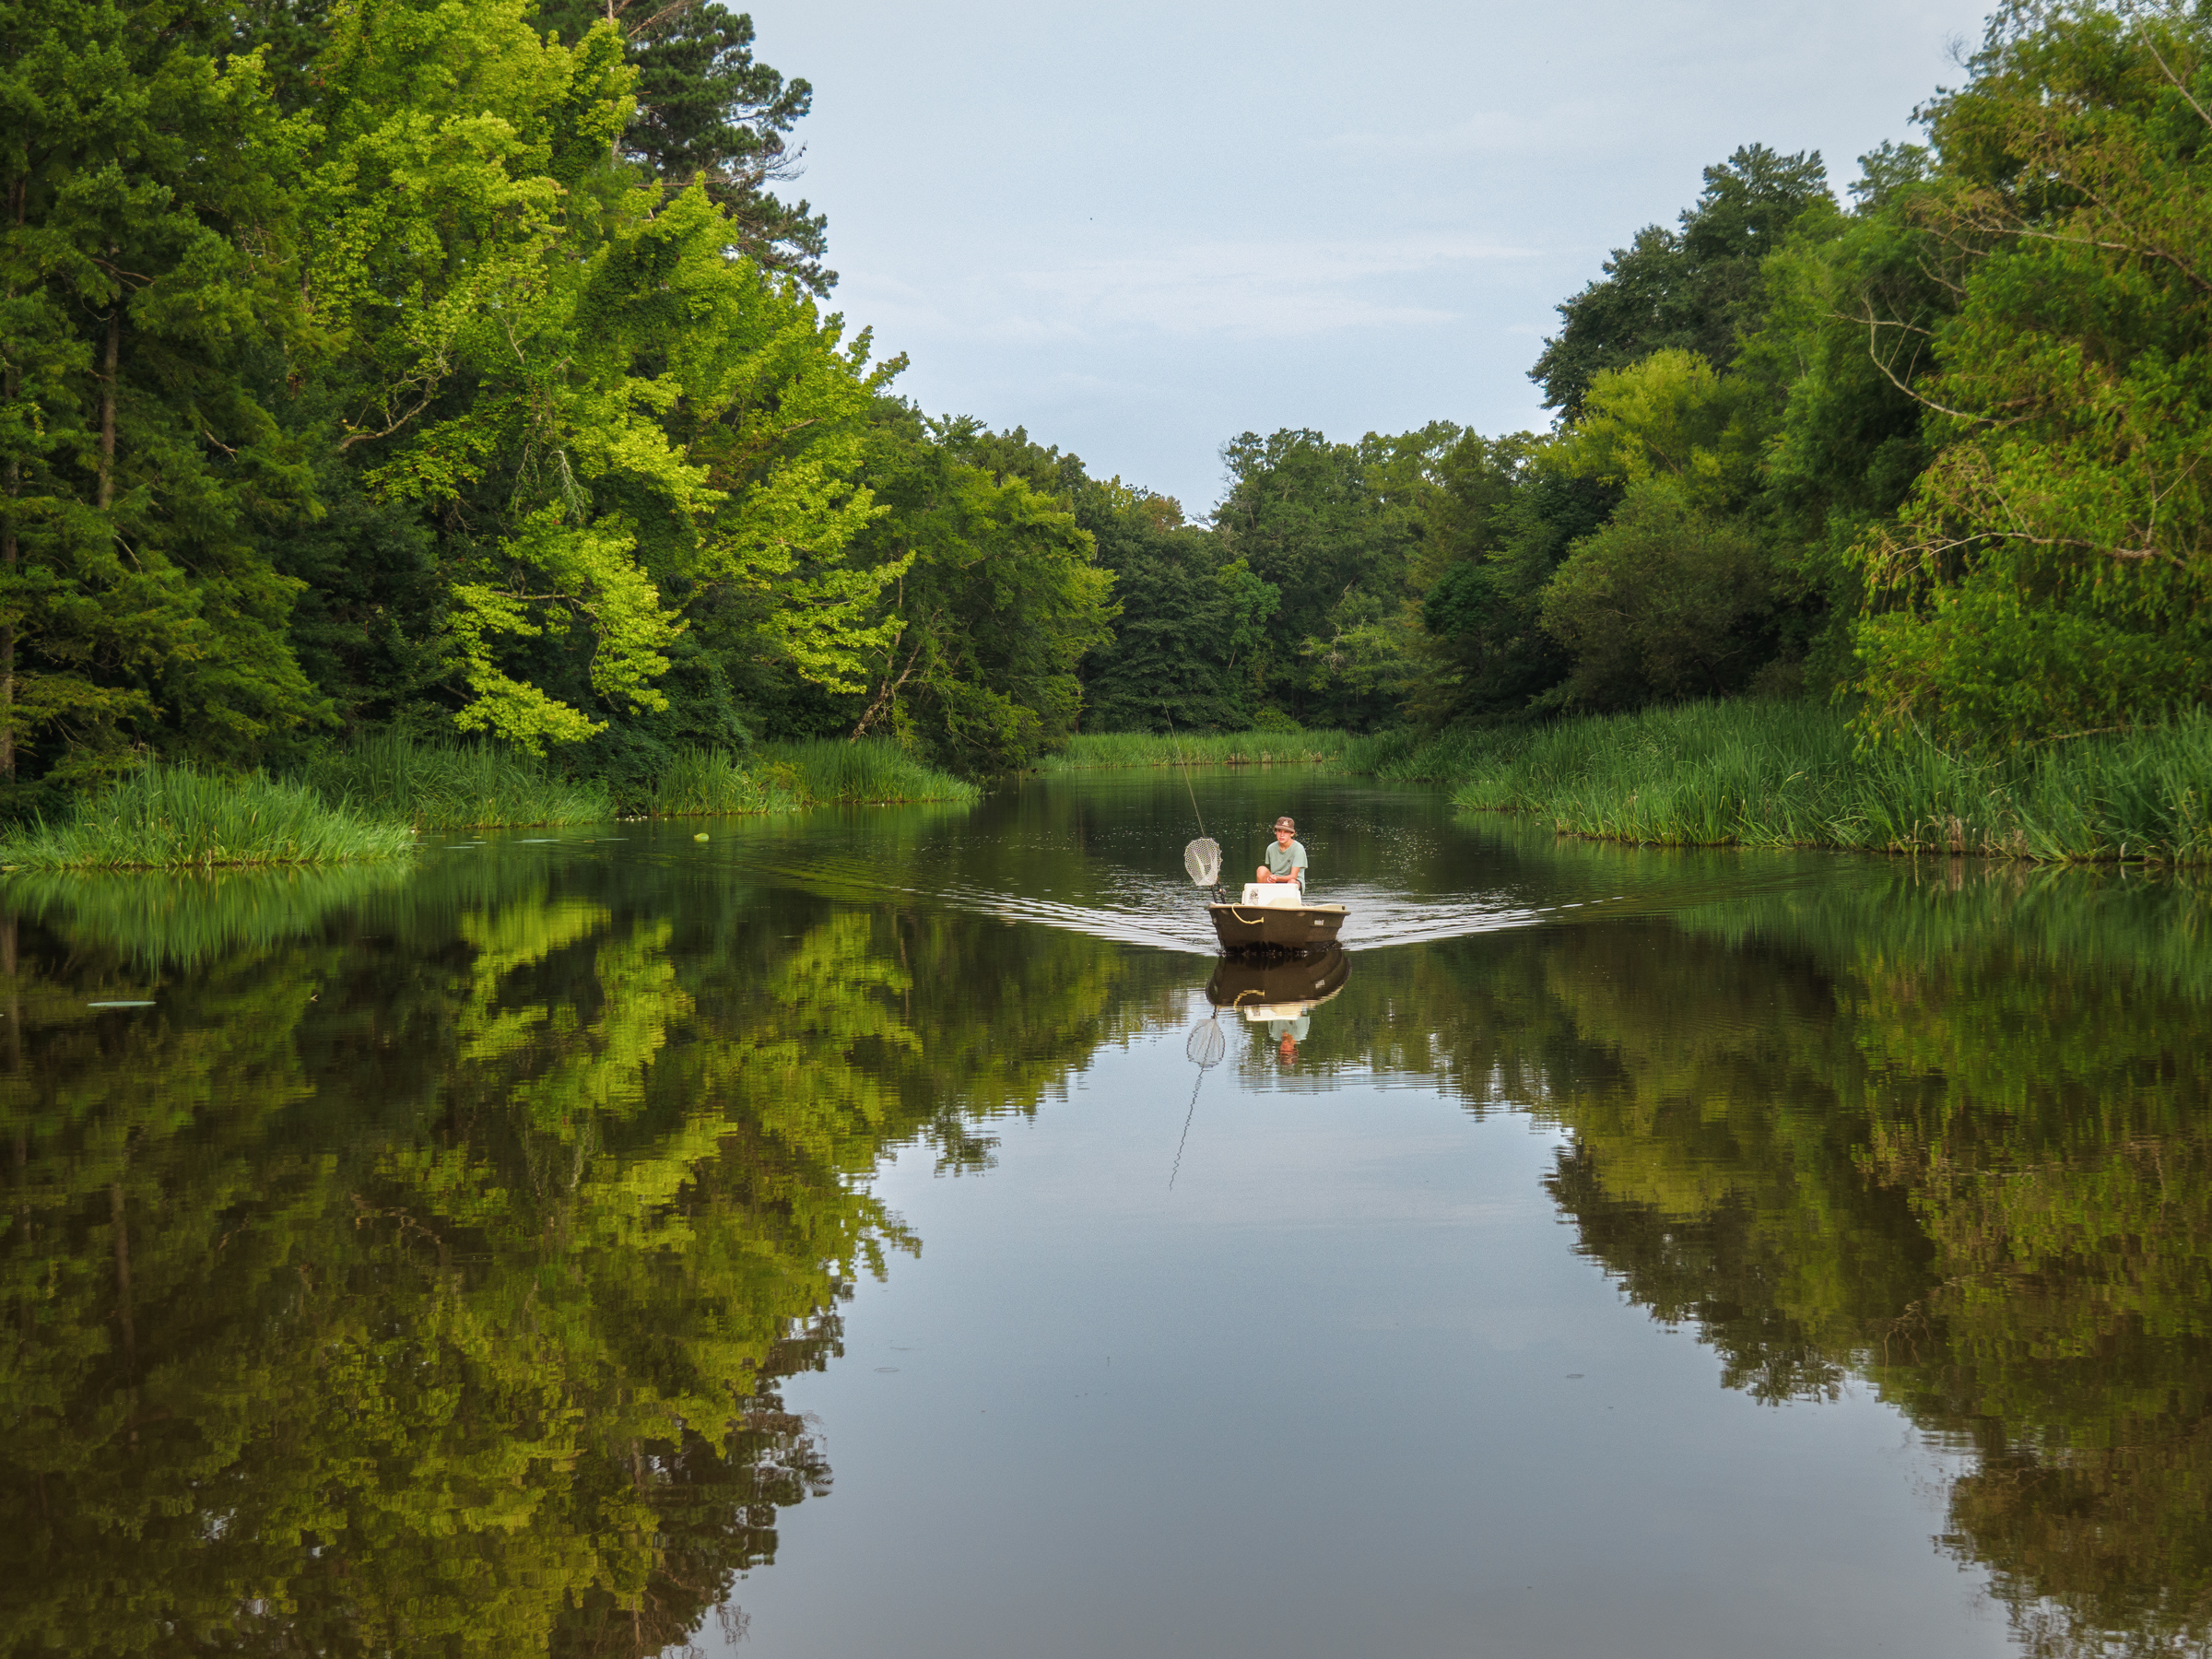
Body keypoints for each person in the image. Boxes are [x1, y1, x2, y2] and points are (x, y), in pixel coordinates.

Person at [1255, 816, 1308, 888]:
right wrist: (1273, 878)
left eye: (1286, 832)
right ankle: (1263, 894)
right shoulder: (1271, 848)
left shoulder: (1298, 849)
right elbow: (1270, 871)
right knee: (1261, 870)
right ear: (1275, 832)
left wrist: (1277, 878)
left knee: (1292, 882)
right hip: (1275, 879)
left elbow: (1293, 876)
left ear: (1292, 833)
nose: (1282, 835)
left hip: (1294, 881)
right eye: (1279, 831)